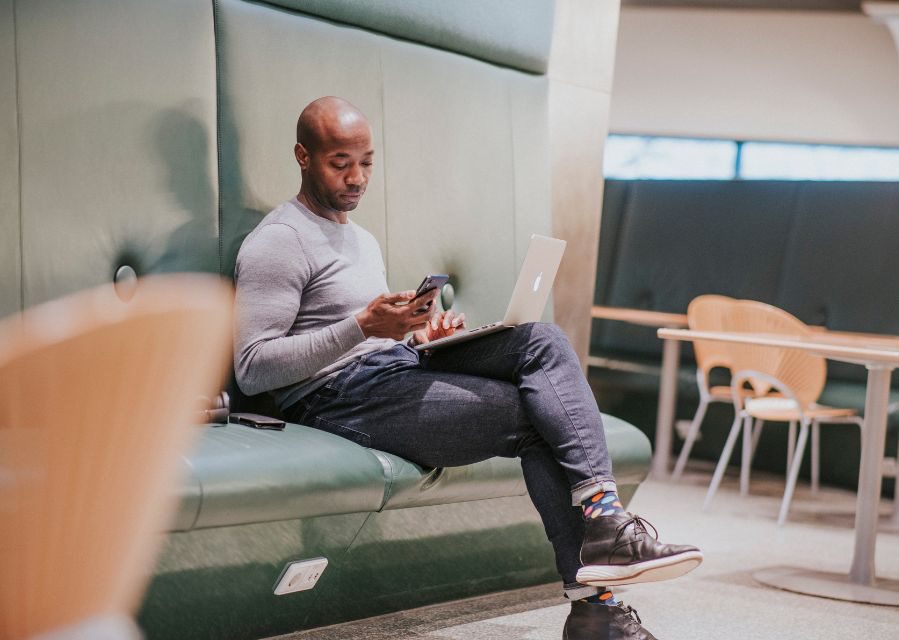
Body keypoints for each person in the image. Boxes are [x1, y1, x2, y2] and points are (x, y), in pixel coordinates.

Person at [233, 96, 703, 640]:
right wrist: (362, 327)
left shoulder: (360, 238)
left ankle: (605, 519)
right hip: (336, 397)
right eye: (341, 163)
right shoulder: (277, 241)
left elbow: (372, 334)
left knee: (541, 340)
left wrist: (418, 334)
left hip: (395, 367)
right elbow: (252, 368)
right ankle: (596, 608)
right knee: (532, 415)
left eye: (367, 162)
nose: (357, 177)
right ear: (303, 156)